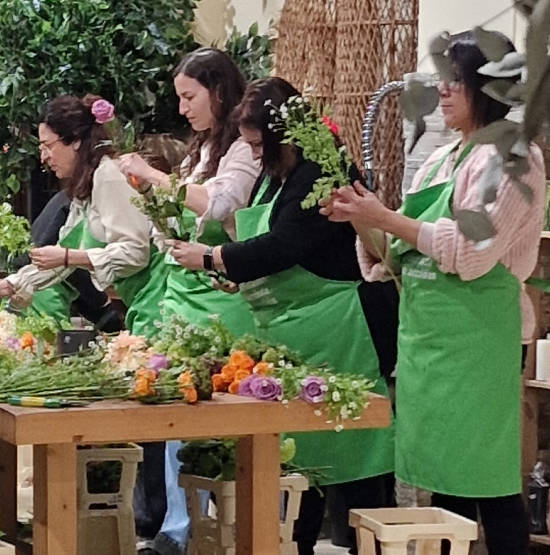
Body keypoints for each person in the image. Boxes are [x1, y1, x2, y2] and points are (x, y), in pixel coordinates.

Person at [324, 31, 542, 553]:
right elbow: (394, 254)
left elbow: (471, 253)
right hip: (429, 337)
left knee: (486, 481)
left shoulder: (515, 156)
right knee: (444, 483)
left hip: (479, 339)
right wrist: (361, 220)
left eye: (455, 81)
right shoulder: (445, 157)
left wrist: (387, 218)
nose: (442, 92)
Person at [168, 77, 396, 554]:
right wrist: (239, 277)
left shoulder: (320, 171)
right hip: (293, 334)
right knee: (298, 464)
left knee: (353, 457)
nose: (252, 154)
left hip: (338, 327)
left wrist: (213, 257)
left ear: (282, 136)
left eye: (256, 143)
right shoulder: (278, 174)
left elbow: (286, 244)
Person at [118, 49, 260, 555]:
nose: (182, 108)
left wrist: (155, 178)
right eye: (178, 97)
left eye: (189, 96)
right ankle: (179, 529)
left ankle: (228, 528)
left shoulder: (242, 150)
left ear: (219, 92)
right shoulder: (200, 150)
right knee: (180, 409)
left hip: (222, 298)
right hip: (182, 296)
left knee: (222, 416)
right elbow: (178, 215)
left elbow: (220, 204)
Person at [0, 95, 158, 330]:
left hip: (156, 303)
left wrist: (69, 257)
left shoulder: (109, 175)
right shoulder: (87, 186)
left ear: (75, 140)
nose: (44, 157)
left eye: (48, 146)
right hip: (139, 303)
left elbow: (135, 252)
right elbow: (60, 261)